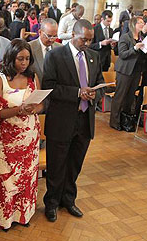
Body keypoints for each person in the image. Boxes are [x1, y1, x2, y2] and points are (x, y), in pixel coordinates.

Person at [0, 39, 43, 230]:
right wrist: (19, 110)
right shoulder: (0, 79)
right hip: (4, 140)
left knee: (25, 178)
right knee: (6, 181)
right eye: (19, 59)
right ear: (10, 58)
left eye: (27, 59)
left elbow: (41, 103)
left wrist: (35, 107)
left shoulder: (33, 77)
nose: (24, 63)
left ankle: (22, 216)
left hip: (29, 138)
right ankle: (4, 219)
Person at [42, 19, 104, 222]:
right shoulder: (55, 55)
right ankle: (51, 203)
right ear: (73, 35)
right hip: (62, 120)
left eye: (90, 40)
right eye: (83, 39)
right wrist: (78, 92)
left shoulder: (94, 56)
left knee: (75, 164)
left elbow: (100, 82)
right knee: (57, 164)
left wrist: (97, 93)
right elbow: (49, 87)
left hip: (85, 119)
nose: (87, 43)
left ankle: (68, 200)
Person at [110, 16, 147, 131]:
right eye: (140, 23)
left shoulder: (141, 37)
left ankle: (126, 121)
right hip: (125, 70)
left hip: (137, 70)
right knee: (120, 96)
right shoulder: (125, 37)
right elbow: (122, 54)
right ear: (133, 24)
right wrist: (134, 48)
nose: (142, 24)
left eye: (142, 23)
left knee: (130, 97)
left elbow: (141, 55)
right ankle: (114, 121)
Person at [29, 18, 61, 85]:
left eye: (54, 36)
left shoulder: (60, 48)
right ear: (40, 32)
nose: (51, 40)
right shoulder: (29, 48)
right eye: (48, 36)